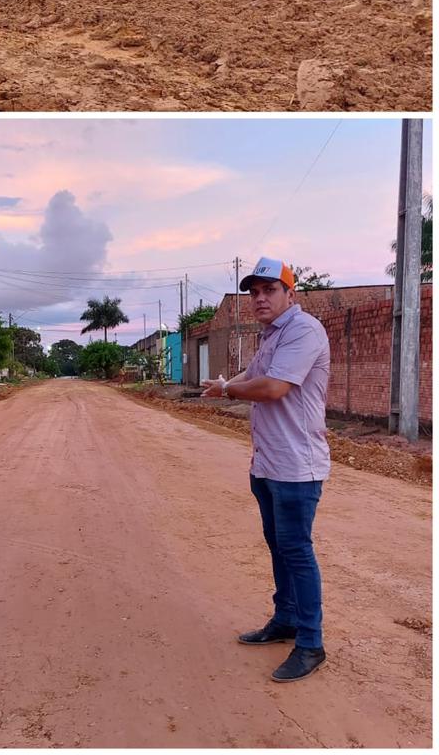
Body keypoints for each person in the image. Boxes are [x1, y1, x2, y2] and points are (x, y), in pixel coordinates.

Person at [201, 257, 330, 683]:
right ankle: (286, 620)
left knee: (297, 550)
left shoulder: (304, 331)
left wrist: (228, 391)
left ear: (291, 294)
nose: (259, 298)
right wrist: (224, 385)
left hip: (297, 467)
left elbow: (273, 387)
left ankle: (310, 643)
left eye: (269, 290)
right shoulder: (271, 336)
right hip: (268, 464)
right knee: (279, 547)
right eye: (253, 292)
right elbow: (252, 374)